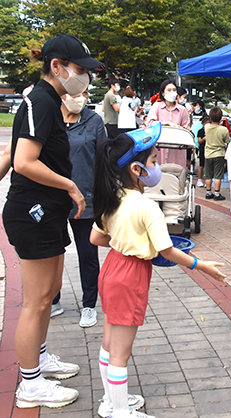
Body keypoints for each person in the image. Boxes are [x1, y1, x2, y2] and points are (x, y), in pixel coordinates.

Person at [90, 125, 226, 418]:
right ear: (137, 169)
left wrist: (125, 239)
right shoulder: (147, 207)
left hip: (112, 268)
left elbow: (96, 238)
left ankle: (111, 401)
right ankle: (120, 413)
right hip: (130, 275)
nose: (158, 167)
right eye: (153, 161)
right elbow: (167, 251)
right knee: (121, 353)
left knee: (109, 340)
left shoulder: (112, 196)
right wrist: (202, 266)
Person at [4, 33, 103, 409]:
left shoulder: (47, 100)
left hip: (47, 211)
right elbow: (24, 162)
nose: (84, 79)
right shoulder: (40, 101)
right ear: (57, 67)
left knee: (47, 296)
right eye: (79, 70)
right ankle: (30, 385)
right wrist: (72, 187)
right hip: (34, 211)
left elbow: (12, 152)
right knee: (36, 301)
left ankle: (40, 359)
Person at [49, 86, 105, 328]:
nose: (79, 98)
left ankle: (89, 305)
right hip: (52, 197)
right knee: (51, 252)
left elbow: (104, 160)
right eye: (75, 92)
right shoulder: (50, 117)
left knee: (87, 253)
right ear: (62, 94)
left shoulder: (94, 121)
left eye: (84, 93)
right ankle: (52, 300)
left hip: (86, 197)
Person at [147, 79, 190, 166]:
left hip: (177, 148)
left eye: (174, 90)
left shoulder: (182, 110)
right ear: (163, 93)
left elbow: (186, 126)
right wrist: (167, 123)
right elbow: (150, 124)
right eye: (169, 90)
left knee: (176, 172)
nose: (172, 92)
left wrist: (186, 128)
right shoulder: (157, 106)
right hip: (159, 147)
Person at [204, 107, 230, 201]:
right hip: (219, 154)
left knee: (208, 175)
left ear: (210, 117)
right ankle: (217, 194)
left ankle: (208, 193)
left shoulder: (206, 127)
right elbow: (227, 140)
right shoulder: (223, 130)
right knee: (218, 175)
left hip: (208, 154)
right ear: (221, 117)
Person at [191, 114, 209, 188]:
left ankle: (207, 181)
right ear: (203, 124)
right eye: (206, 124)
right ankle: (199, 180)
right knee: (201, 166)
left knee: (208, 167)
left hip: (209, 150)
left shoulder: (211, 130)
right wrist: (204, 138)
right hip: (202, 150)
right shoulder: (200, 131)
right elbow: (199, 141)